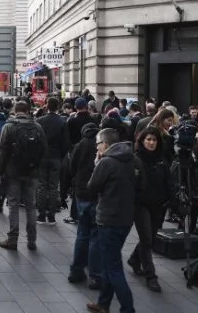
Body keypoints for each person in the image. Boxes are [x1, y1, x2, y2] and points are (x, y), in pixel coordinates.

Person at [86, 128, 142, 313]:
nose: (97, 148)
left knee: (113, 268)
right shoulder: (134, 160)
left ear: (105, 144)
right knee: (110, 262)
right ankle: (103, 303)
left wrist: (96, 165)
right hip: (125, 219)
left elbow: (91, 187)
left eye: (97, 144)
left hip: (108, 219)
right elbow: (142, 187)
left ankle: (128, 308)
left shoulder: (106, 162)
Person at [0, 101, 47, 251]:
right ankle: (32, 240)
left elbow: (2, 151)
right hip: (32, 172)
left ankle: (13, 239)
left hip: (13, 172)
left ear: (14, 110)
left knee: (13, 205)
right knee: (31, 205)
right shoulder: (37, 127)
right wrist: (37, 166)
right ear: (28, 111)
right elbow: (44, 150)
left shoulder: (9, 126)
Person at [127, 127, 172, 293]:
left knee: (151, 238)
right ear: (142, 141)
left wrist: (172, 201)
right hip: (141, 205)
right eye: (148, 140)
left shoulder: (162, 160)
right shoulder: (136, 159)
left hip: (158, 204)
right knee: (147, 239)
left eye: (154, 140)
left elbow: (169, 182)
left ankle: (134, 259)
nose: (151, 143)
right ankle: (151, 276)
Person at [68, 123, 101, 290]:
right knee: (95, 236)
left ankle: (76, 270)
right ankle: (95, 276)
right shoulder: (101, 144)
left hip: (82, 192)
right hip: (97, 194)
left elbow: (72, 166)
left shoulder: (81, 144)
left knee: (82, 233)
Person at [36, 98, 70, 225]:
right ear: (58, 107)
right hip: (56, 157)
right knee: (54, 186)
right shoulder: (62, 122)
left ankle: (41, 214)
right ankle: (51, 215)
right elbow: (66, 143)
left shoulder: (39, 121)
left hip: (42, 157)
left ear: (46, 106)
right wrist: (60, 155)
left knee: (41, 186)